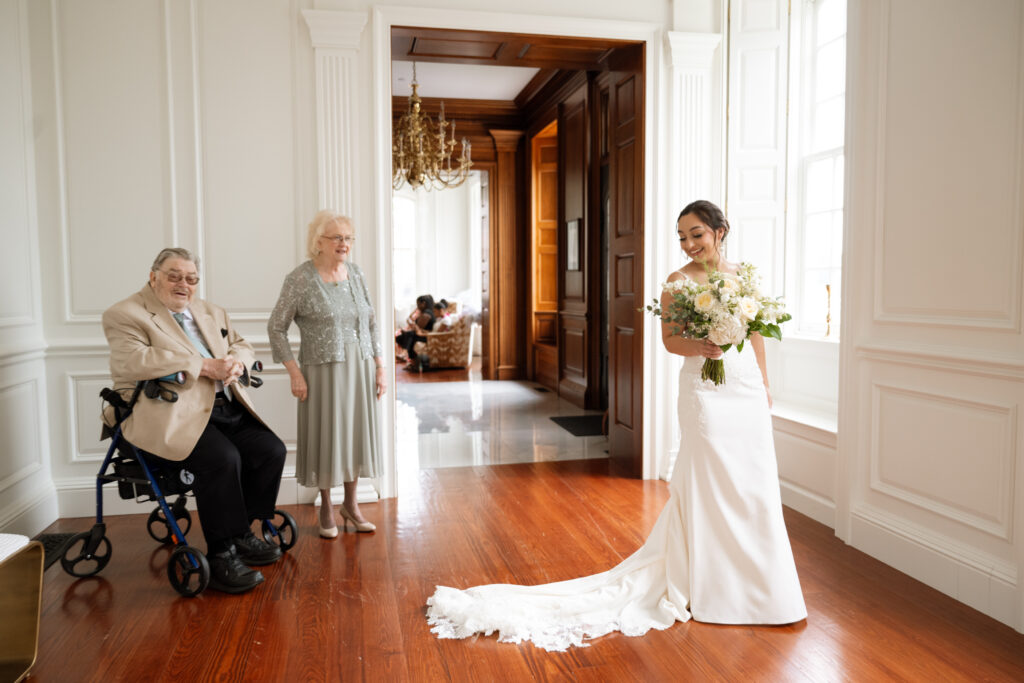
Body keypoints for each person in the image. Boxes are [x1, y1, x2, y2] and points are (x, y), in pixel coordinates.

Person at [425, 199, 806, 650]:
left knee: (752, 482)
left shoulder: (744, 277)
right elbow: (671, 340)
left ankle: (760, 585)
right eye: (682, 237)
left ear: (720, 231)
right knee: (711, 482)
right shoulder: (678, 281)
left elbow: (756, 332)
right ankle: (712, 586)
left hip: (744, 389)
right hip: (704, 393)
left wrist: (764, 383)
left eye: (697, 234)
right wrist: (701, 346)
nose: (688, 244)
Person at [102, 248, 287, 594]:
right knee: (222, 459)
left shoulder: (210, 311)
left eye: (191, 279)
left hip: (223, 405)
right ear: (153, 276)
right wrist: (204, 366)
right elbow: (135, 360)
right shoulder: (125, 314)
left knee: (271, 450)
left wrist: (236, 362)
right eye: (174, 276)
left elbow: (241, 344)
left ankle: (241, 532)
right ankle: (221, 554)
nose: (183, 284)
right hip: (169, 412)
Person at [268, 210, 386, 538]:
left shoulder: (356, 274)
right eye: (337, 238)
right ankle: (326, 507)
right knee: (327, 435)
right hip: (321, 370)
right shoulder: (300, 279)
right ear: (318, 242)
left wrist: (380, 367)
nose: (344, 244)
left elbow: (371, 323)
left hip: (360, 366)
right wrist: (294, 373)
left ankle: (351, 505)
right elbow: (276, 327)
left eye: (348, 238)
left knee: (354, 434)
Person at [395, 294, 435, 370]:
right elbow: (415, 326)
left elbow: (418, 327)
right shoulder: (424, 312)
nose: (417, 306)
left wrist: (412, 327)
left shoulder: (427, 313)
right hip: (419, 334)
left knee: (409, 335)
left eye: (418, 304)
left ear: (423, 303)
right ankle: (412, 362)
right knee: (400, 337)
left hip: (426, 336)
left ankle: (404, 354)